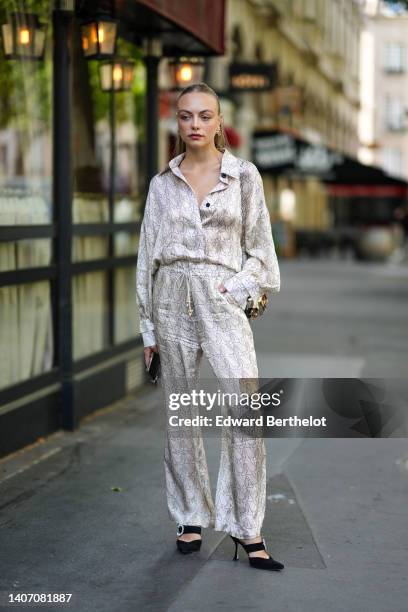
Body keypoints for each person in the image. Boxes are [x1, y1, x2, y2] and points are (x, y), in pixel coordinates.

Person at [136, 82, 283, 571]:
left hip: (221, 300)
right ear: (176, 123)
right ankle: (190, 515)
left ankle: (248, 527)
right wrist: (148, 329)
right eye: (184, 116)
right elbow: (146, 259)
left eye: (204, 115)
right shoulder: (162, 184)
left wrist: (233, 292)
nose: (194, 124)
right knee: (183, 417)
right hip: (170, 298)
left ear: (220, 122)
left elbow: (262, 250)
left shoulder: (244, 177)